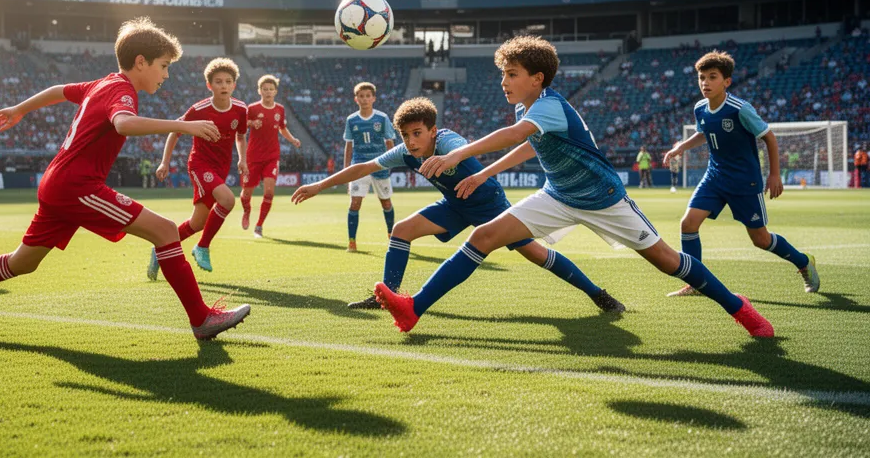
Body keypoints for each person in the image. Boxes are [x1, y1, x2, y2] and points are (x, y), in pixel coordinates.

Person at [376, 36, 773, 337]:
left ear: (537, 78)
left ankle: (739, 307)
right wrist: (483, 173)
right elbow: (528, 144)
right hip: (559, 195)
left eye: (511, 74)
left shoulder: (548, 104)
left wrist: (458, 157)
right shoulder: (527, 107)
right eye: (503, 74)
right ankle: (413, 309)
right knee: (484, 236)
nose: (503, 81)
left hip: (603, 197)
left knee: (669, 262)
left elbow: (515, 135)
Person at [0, 17, 250, 339]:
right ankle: (202, 319)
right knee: (164, 231)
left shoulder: (103, 83)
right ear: (142, 62)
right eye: (164, 66)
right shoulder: (123, 91)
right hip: (76, 186)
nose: (166, 75)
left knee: (21, 262)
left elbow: (60, 89)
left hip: (57, 183)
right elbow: (124, 124)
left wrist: (20, 109)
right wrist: (183, 125)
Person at [292, 97, 624, 315]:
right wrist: (320, 185)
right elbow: (363, 168)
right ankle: (386, 297)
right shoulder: (405, 153)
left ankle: (598, 294)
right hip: (454, 204)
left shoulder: (449, 141)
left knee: (535, 254)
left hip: (489, 204)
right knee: (402, 230)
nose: (411, 141)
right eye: (405, 135)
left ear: (433, 131)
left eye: (417, 133)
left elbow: (463, 150)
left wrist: (452, 159)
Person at [664, 50, 819, 297]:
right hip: (714, 178)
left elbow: (769, 137)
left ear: (727, 81)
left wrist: (774, 175)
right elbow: (703, 132)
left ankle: (803, 262)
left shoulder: (740, 109)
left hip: (744, 182)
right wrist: (681, 147)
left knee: (760, 239)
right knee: (688, 224)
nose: (705, 82)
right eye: (702, 77)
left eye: (712, 77)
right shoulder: (700, 108)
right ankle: (696, 283)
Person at [147, 58, 248, 278]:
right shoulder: (199, 109)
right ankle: (202, 247)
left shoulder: (241, 109)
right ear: (209, 85)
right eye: (218, 81)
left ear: (234, 85)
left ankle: (159, 250)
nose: (223, 85)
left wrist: (243, 159)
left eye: (228, 81)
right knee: (228, 200)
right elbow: (175, 131)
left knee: (197, 223)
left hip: (221, 167)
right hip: (200, 165)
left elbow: (241, 136)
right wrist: (165, 161)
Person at [240, 74, 302, 238]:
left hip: (272, 156)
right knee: (246, 194)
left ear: (275, 91)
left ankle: (259, 226)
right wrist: (252, 123)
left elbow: (282, 128)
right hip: (253, 157)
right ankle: (246, 210)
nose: (268, 92)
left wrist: (293, 139)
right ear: (259, 90)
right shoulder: (252, 108)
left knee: (269, 192)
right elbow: (241, 125)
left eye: (271, 89)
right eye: (264, 89)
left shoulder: (280, 109)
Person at [343, 82, 396, 252]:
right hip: (358, 166)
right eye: (361, 96)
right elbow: (349, 146)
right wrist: (346, 170)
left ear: (373, 98)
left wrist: (391, 161)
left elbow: (390, 142)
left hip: (379, 165)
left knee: (386, 203)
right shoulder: (351, 120)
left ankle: (391, 237)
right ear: (356, 99)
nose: (364, 99)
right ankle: (352, 241)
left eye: (368, 96)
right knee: (355, 203)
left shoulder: (382, 118)